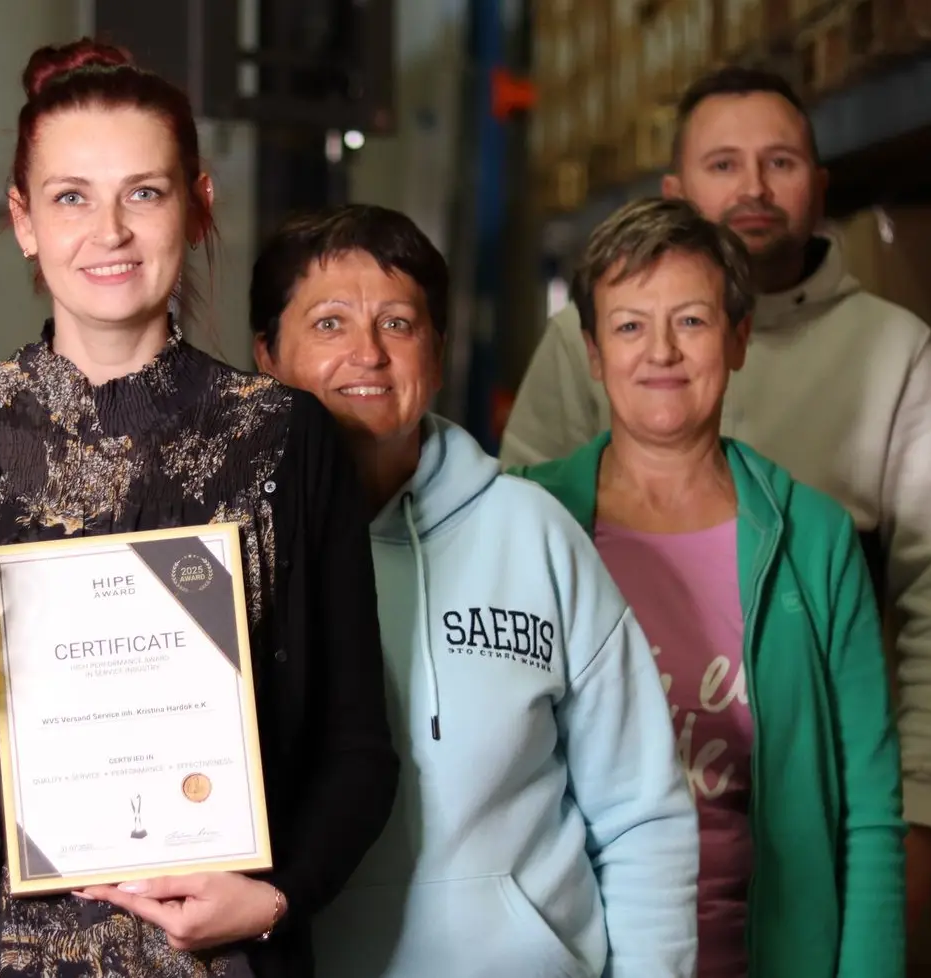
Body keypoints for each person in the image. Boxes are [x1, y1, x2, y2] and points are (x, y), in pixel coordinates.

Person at [0, 38, 398, 978]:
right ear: (23, 221)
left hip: (212, 958)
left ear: (197, 204)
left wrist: (276, 897)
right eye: (70, 197)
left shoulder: (284, 440)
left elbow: (357, 748)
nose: (109, 232)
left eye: (143, 192)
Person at [501, 66, 931, 924]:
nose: (754, 187)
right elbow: (516, 553)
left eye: (781, 162)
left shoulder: (888, 350)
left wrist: (922, 813)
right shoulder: (582, 348)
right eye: (723, 164)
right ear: (677, 189)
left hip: (809, 811)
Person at [249, 203, 698, 977]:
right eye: (328, 324)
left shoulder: (533, 534)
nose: (368, 354)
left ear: (438, 349)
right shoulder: (225, 553)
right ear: (267, 355)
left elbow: (642, 815)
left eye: (398, 324)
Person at [515, 196, 906, 976]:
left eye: (691, 321)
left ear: (739, 339)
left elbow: (867, 808)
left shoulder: (814, 538)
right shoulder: (526, 521)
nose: (660, 351)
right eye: (629, 326)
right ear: (591, 352)